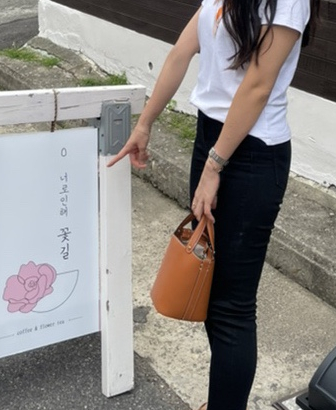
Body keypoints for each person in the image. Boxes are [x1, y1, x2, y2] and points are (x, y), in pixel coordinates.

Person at [107, 0, 319, 408]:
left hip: (252, 154)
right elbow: (181, 52)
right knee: (209, 288)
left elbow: (257, 86)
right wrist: (145, 123)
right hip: (213, 141)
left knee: (231, 307)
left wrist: (214, 166)